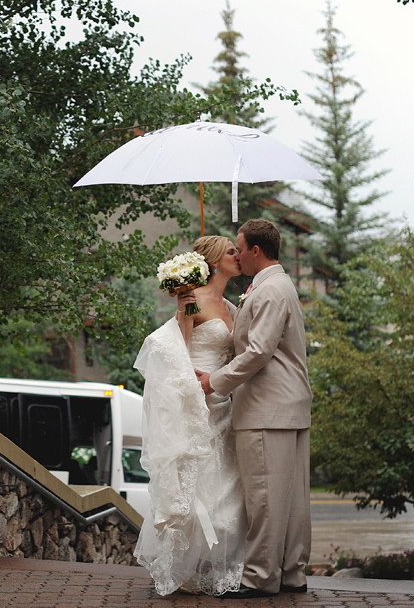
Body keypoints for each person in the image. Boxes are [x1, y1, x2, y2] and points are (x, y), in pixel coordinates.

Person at [195, 219, 313, 599]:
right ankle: (292, 573)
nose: (238, 255)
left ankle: (261, 577)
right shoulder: (278, 285)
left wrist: (214, 381)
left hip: (267, 408)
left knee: (264, 497)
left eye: (240, 248)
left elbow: (258, 351)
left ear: (256, 251)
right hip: (288, 406)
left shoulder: (269, 290)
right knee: (292, 500)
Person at [132, 235, 248, 596]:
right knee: (196, 485)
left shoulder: (230, 306)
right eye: (231, 252)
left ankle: (221, 568)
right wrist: (184, 312)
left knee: (228, 489)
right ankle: (188, 569)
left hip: (224, 402)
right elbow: (177, 348)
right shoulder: (192, 298)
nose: (238, 256)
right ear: (213, 261)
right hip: (197, 400)